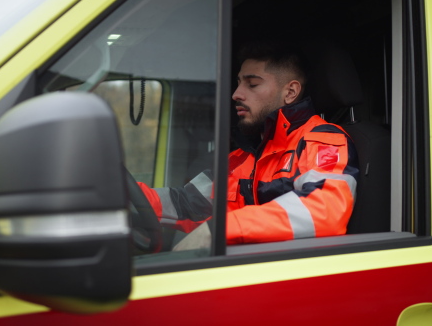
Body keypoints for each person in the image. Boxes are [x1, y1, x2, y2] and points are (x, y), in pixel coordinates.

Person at [138, 41, 359, 249]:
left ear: (290, 92)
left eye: (252, 84)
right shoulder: (240, 156)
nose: (236, 94)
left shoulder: (322, 140)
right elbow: (188, 204)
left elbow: (323, 211)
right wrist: (130, 199)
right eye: (238, 83)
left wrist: (218, 230)